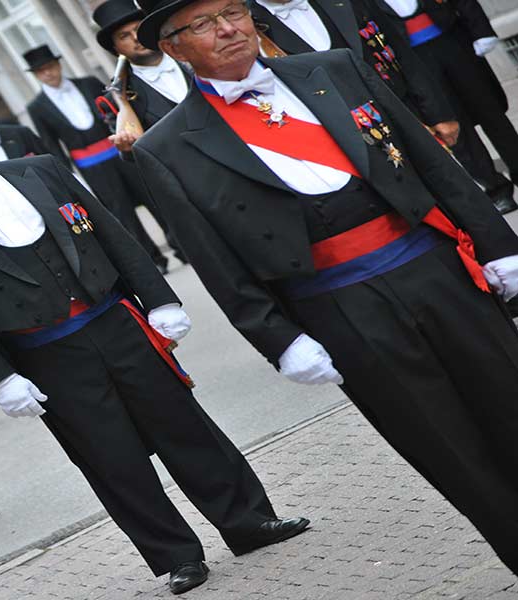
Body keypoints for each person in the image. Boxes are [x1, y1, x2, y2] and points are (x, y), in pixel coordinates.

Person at [132, 0, 518, 575]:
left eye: (233, 11)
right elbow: (215, 263)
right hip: (340, 309)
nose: (228, 29)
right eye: (204, 24)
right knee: (448, 448)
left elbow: (433, 167)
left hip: (436, 269)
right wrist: (280, 338)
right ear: (172, 46)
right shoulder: (166, 148)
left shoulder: (333, 70)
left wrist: (500, 246)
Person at [0, 82, 306, 594]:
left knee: (186, 428)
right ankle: (177, 556)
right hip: (46, 357)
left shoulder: (38, 169)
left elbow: (111, 233)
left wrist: (160, 299)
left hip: (115, 322)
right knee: (113, 461)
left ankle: (248, 522)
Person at [23, 44, 170, 273]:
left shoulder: (89, 83)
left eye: (51, 66)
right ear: (36, 75)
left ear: (58, 64)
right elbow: (51, 144)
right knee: (120, 212)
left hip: (119, 149)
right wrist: (64, 175)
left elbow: (114, 111)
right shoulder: (37, 107)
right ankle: (152, 259)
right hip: (91, 165)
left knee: (151, 195)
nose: (49, 73)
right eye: (42, 71)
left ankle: (179, 245)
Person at [247, 0, 459, 145]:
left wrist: (439, 113)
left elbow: (400, 51)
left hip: (411, 117)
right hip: (349, 142)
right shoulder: (248, 26)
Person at [380, 0, 518, 212]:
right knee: (451, 124)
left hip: (452, 40)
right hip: (412, 60)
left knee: (491, 112)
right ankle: (496, 189)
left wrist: (481, 30)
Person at [92, 0, 191, 264]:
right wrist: (127, 148)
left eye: (139, 28)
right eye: (124, 36)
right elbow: (132, 147)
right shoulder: (118, 97)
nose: (136, 38)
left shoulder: (193, 57)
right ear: (116, 49)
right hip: (189, 191)